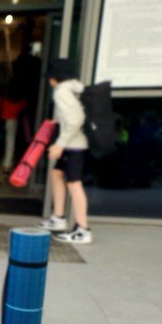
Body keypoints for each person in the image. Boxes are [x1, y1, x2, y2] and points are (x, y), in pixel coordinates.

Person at [39, 58, 92, 244]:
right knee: (56, 174)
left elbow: (76, 119)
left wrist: (59, 144)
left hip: (73, 146)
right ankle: (58, 218)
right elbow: (74, 115)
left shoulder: (61, 91)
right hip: (74, 144)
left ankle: (83, 230)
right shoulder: (74, 87)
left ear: (54, 77)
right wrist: (60, 122)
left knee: (74, 185)